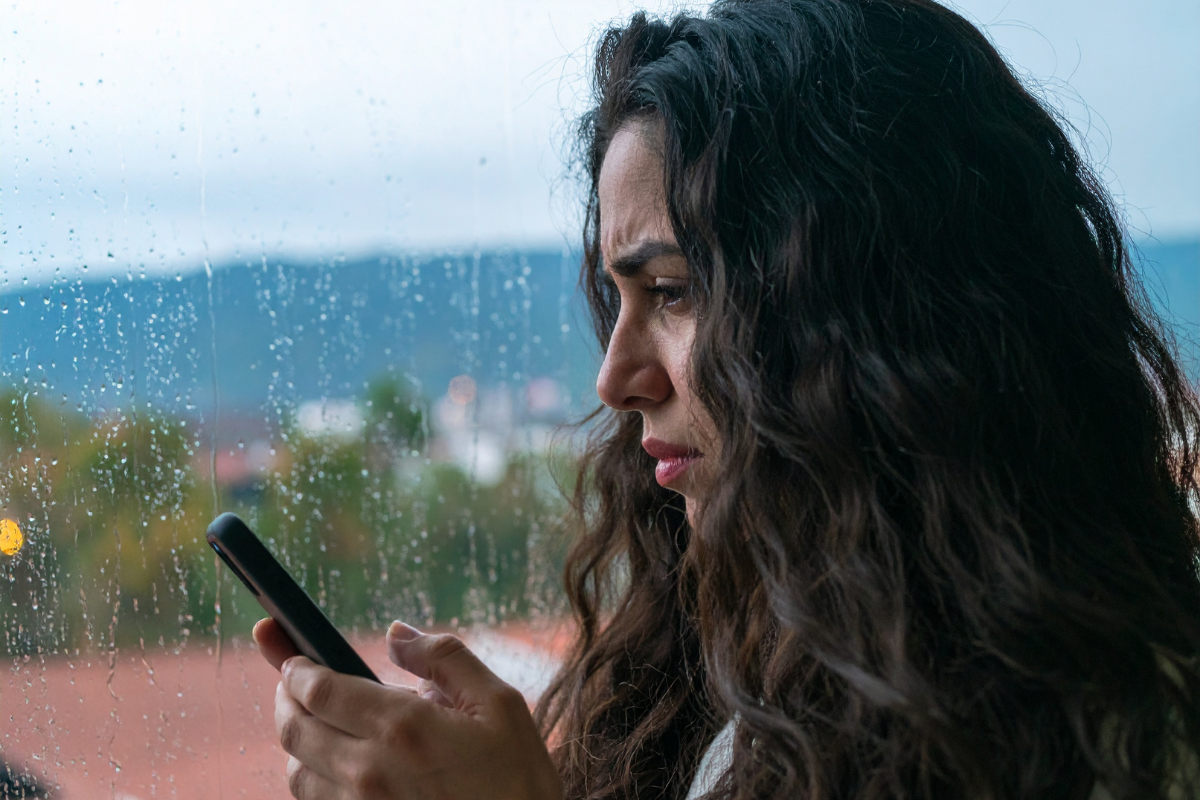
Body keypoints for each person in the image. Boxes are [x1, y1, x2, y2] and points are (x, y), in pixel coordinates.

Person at [253, 0, 1200, 797]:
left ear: (868, 314)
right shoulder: (749, 690)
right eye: (615, 300)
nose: (615, 379)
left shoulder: (1121, 735)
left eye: (672, 291)